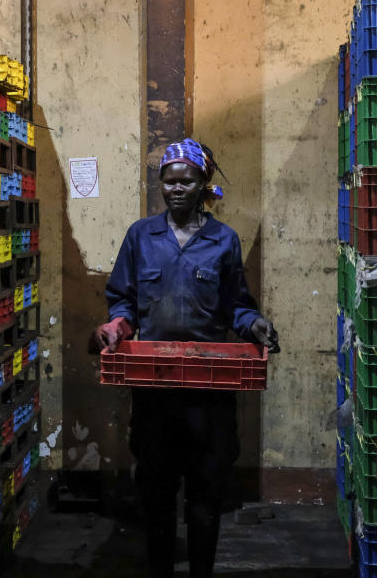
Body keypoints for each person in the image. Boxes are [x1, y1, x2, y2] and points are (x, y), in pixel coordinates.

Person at [95, 138, 277, 578]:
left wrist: (255, 325)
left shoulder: (223, 241)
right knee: (156, 494)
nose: (176, 189)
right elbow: (123, 299)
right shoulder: (142, 236)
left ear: (204, 183)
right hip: (155, 390)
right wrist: (116, 328)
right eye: (169, 181)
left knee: (205, 495)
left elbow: (237, 305)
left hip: (208, 393)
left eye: (187, 181)